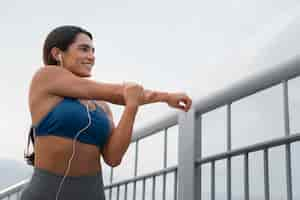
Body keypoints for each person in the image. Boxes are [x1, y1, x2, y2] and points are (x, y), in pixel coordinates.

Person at [21, 25, 192, 200]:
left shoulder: (101, 107)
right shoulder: (45, 77)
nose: (91, 57)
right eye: (84, 49)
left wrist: (131, 107)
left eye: (93, 51)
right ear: (57, 53)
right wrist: (165, 96)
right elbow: (118, 92)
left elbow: (113, 157)